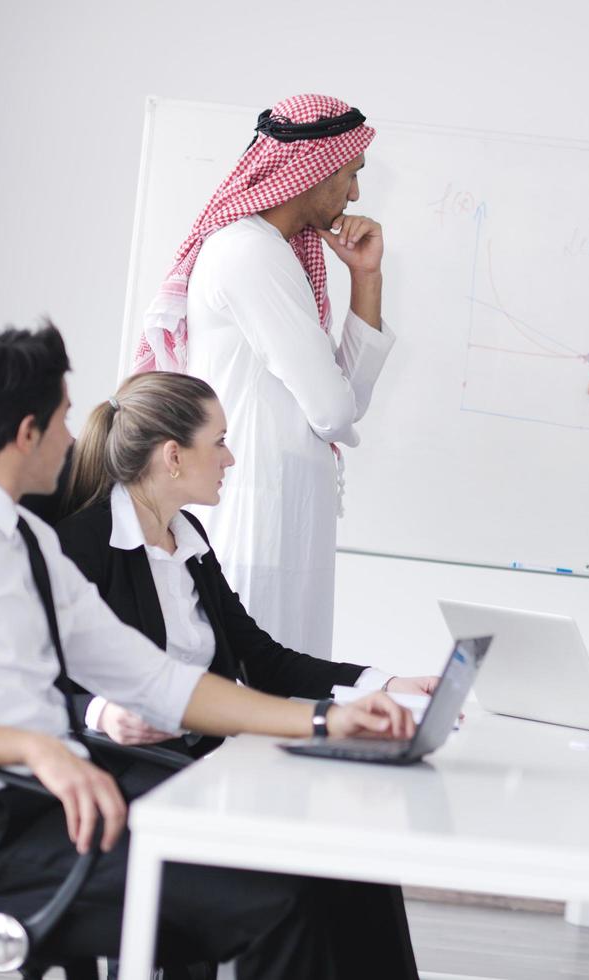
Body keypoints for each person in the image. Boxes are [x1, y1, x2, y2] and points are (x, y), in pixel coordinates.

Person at [0, 324, 418, 978]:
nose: (75, 438)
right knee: (284, 898)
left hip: (59, 805)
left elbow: (159, 681)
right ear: (27, 432)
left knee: (334, 869)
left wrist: (325, 720)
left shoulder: (23, 537)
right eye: (60, 419)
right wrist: (33, 748)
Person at [136, 92, 395, 659]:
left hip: (285, 512)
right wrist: (337, 408)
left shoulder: (273, 253)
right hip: (257, 512)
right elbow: (333, 410)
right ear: (314, 171)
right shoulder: (248, 254)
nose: (354, 193)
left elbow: (345, 399)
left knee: (291, 691)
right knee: (262, 696)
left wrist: (366, 279)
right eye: (350, 174)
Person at [56, 370, 437, 755]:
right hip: (121, 770)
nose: (230, 458)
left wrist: (385, 684)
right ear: (173, 456)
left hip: (202, 762)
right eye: (219, 442)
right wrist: (100, 712)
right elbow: (31, 681)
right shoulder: (82, 544)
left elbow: (261, 661)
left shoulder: (188, 538)